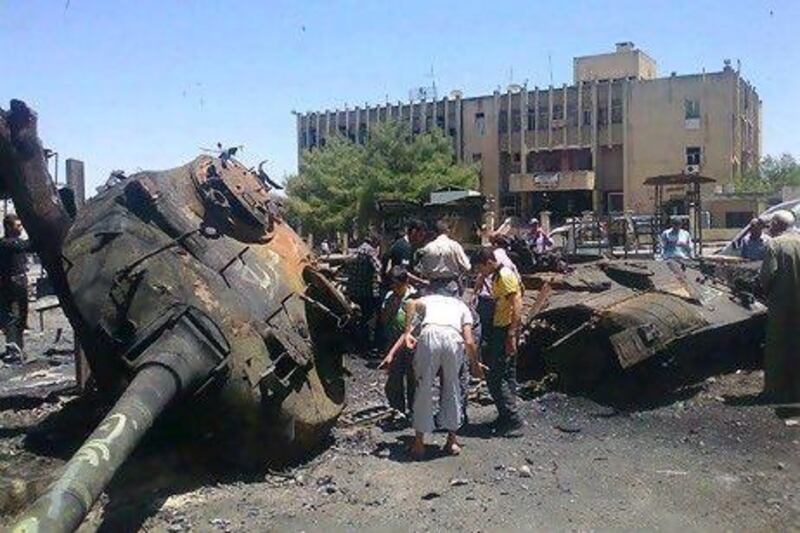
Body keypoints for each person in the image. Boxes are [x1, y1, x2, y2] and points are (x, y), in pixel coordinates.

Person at [399, 289, 480, 459]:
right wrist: (475, 365)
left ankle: (419, 444)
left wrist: (407, 333)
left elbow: (410, 303)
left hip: (430, 335)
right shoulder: (462, 307)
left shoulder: (429, 299)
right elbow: (469, 340)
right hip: (453, 337)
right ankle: (451, 441)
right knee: (452, 387)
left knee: (424, 387)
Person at [473, 247, 524, 436]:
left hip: (505, 329)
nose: (480, 273)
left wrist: (511, 333)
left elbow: (517, 303)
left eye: (481, 268)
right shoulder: (496, 276)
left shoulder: (504, 276)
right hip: (502, 327)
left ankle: (513, 419)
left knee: (495, 375)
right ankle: (506, 415)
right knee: (507, 373)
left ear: (488, 263)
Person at [759, 229, 800, 410]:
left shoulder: (774, 244)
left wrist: (765, 292)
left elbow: (768, 274)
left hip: (781, 303)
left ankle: (775, 390)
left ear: (777, 224)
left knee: (777, 346)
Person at [378, 266, 418, 417]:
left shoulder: (414, 297)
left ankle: (414, 411)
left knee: (413, 378)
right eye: (393, 285)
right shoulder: (390, 296)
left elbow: (411, 329)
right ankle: (397, 410)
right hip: (393, 339)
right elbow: (383, 319)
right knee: (394, 378)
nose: (395, 288)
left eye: (398, 285)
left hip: (411, 343)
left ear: (406, 282)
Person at [344, 235, 381, 353]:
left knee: (357, 318)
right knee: (368, 319)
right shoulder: (370, 252)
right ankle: (365, 346)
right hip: (366, 292)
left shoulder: (356, 251)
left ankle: (355, 343)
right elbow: (379, 267)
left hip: (354, 291)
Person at [0, 214, 31, 354]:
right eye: (18, 225)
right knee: (13, 317)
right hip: (11, 285)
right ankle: (13, 351)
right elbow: (28, 245)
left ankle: (18, 349)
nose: (21, 228)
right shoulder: (6, 243)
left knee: (21, 317)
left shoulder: (15, 242)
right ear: (8, 227)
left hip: (20, 283)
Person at [416, 219, 471, 290]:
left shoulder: (427, 248)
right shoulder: (454, 246)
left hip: (433, 286)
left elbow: (423, 271)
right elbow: (467, 267)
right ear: (448, 231)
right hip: (451, 286)